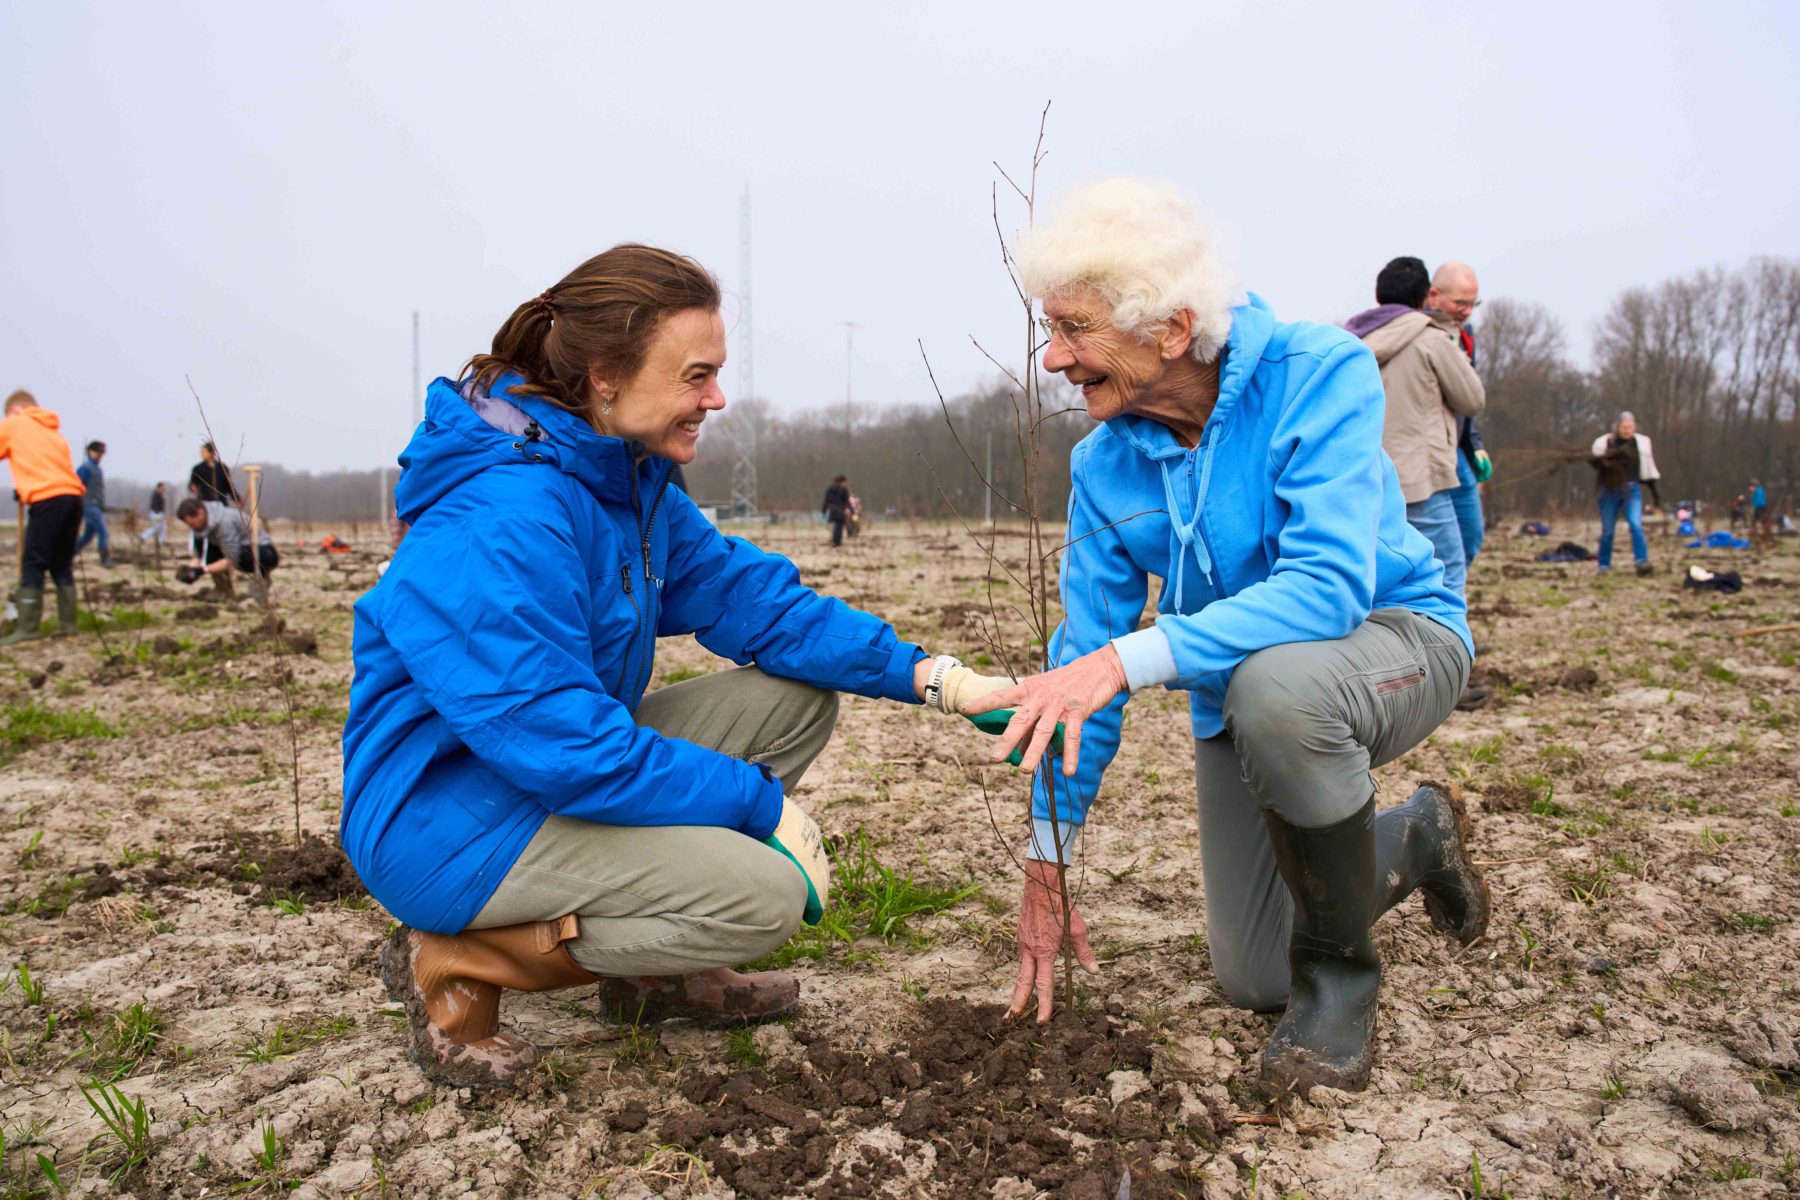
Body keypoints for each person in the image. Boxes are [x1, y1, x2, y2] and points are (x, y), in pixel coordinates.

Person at [342, 245, 1009, 1090]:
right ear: (605, 376)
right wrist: (757, 805)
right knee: (759, 898)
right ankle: (455, 957)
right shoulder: (500, 519)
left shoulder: (625, 479)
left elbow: (751, 599)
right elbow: (570, 750)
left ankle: (653, 976)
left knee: (792, 703)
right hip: (444, 818)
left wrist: (936, 678)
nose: (717, 398)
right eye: (698, 375)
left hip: (533, 773)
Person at [963, 180, 1489, 1097]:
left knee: (1275, 690)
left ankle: (1340, 989)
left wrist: (1128, 659)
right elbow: (1079, 668)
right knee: (1252, 975)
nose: (1053, 358)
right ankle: (1417, 838)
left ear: (1172, 329)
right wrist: (1048, 859)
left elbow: (1327, 590)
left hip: (1397, 639)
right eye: (1051, 329)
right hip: (1242, 696)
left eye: (1075, 329)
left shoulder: (1318, 373)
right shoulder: (1104, 466)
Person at [1346, 258, 1486, 600]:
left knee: (1385, 569)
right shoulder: (1432, 339)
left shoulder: (1351, 341)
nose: (1467, 310)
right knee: (1449, 569)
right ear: (1427, 296)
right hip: (1419, 479)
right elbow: (1472, 400)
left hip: (1365, 476)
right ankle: (1445, 633)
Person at [0, 390, 85, 643]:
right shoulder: (53, 432)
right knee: (61, 563)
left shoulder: (15, 423)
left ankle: (27, 629)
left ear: (14, 410)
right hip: (73, 498)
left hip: (47, 499)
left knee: (33, 561)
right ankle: (68, 625)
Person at [1426, 264, 1491, 570]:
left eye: (1473, 304)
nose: (1467, 311)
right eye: (1460, 303)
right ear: (1434, 296)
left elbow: (1464, 401)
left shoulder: (1467, 335)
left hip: (1457, 453)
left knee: (1471, 534)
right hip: (1425, 454)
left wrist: (1474, 445)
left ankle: (1449, 588)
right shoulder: (1420, 334)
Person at [1588, 413, 1661, 575]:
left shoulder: (1641, 444)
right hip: (1609, 490)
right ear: (1618, 427)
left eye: (1630, 427)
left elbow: (1649, 470)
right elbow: (1595, 463)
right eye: (1624, 427)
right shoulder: (1605, 443)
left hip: (1632, 489)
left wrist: (1656, 497)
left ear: (1634, 427)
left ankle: (1641, 562)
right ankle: (1604, 565)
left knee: (1635, 525)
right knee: (1608, 531)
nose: (1627, 430)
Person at [175, 498, 278, 592]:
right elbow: (201, 556)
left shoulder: (225, 522)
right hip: (237, 551)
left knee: (241, 555)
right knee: (209, 548)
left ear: (200, 512)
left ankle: (262, 578)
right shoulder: (201, 527)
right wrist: (190, 570)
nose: (191, 527)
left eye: (192, 524)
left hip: (263, 553)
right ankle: (223, 590)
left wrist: (203, 570)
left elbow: (232, 558)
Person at [74, 441, 112, 568]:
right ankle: (104, 558)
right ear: (90, 452)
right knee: (103, 531)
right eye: (98, 452)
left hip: (97, 505)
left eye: (102, 453)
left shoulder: (98, 469)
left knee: (88, 535)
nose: (100, 455)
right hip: (88, 505)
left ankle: (69, 553)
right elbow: (77, 487)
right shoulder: (85, 469)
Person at [821, 474, 850, 546]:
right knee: (838, 525)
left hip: (836, 510)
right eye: (844, 482)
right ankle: (837, 541)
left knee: (837, 525)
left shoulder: (832, 489)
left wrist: (824, 510)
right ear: (841, 482)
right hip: (837, 510)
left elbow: (827, 500)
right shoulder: (839, 489)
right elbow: (846, 501)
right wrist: (851, 510)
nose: (845, 484)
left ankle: (836, 541)